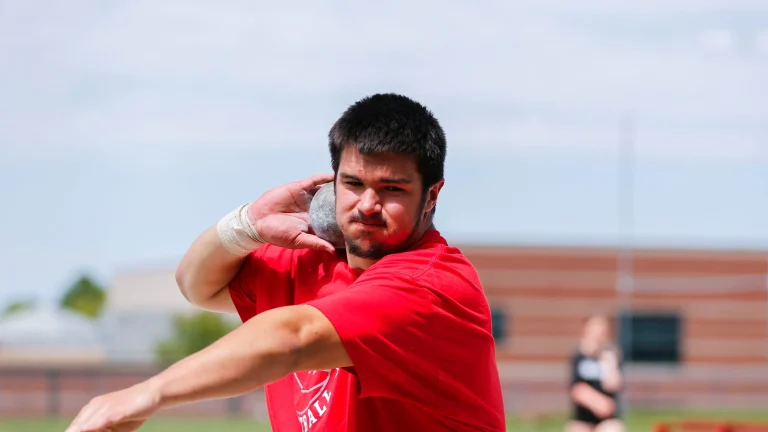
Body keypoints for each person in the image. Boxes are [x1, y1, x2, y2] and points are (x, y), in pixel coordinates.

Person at [65, 93, 507, 432]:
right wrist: (248, 224)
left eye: (392, 189)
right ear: (332, 185)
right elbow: (194, 283)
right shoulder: (309, 260)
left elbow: (294, 336)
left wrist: (150, 393)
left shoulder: (434, 284)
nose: (368, 204)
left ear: (431, 195)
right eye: (353, 183)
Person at [566, 315, 625, 432]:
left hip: (607, 418)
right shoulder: (579, 356)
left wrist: (609, 362)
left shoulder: (611, 355)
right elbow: (577, 388)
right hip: (582, 418)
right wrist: (597, 402)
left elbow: (614, 385)